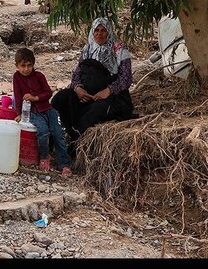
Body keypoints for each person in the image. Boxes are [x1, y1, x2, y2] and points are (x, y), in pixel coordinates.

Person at [51, 17, 135, 157]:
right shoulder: (88, 49)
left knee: (95, 112)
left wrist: (108, 91)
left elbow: (126, 78)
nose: (99, 34)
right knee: (60, 98)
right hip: (86, 96)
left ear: (109, 32)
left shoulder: (119, 49)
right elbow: (76, 74)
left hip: (110, 98)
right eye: (96, 30)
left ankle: (76, 144)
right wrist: (78, 89)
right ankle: (70, 132)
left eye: (103, 30)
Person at [13, 48, 72, 176]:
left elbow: (48, 93)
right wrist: (19, 113)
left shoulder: (39, 76)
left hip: (48, 110)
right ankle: (45, 157)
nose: (26, 69)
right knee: (43, 132)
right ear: (17, 65)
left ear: (33, 64)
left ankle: (64, 164)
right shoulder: (16, 77)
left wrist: (35, 98)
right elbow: (17, 96)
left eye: (29, 65)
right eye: (22, 66)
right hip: (32, 112)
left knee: (58, 134)